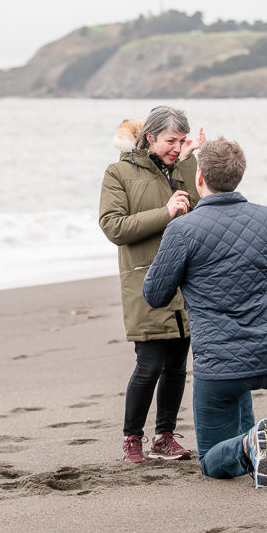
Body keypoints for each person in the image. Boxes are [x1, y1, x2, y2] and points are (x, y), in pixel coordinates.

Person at [142, 138, 267, 488]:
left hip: (220, 365)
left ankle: (249, 444)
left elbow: (155, 295)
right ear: (239, 177)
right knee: (238, 392)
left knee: (211, 461)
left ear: (199, 177)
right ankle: (256, 448)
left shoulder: (183, 228)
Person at [98, 106, 205, 464]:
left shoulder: (182, 167)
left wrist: (187, 161)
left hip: (184, 282)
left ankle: (165, 437)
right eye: (171, 140)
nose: (177, 147)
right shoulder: (118, 172)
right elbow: (113, 227)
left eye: (182, 140)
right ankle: (132, 439)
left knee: (177, 366)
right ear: (150, 137)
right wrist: (166, 213)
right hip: (144, 280)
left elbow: (201, 210)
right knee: (148, 366)